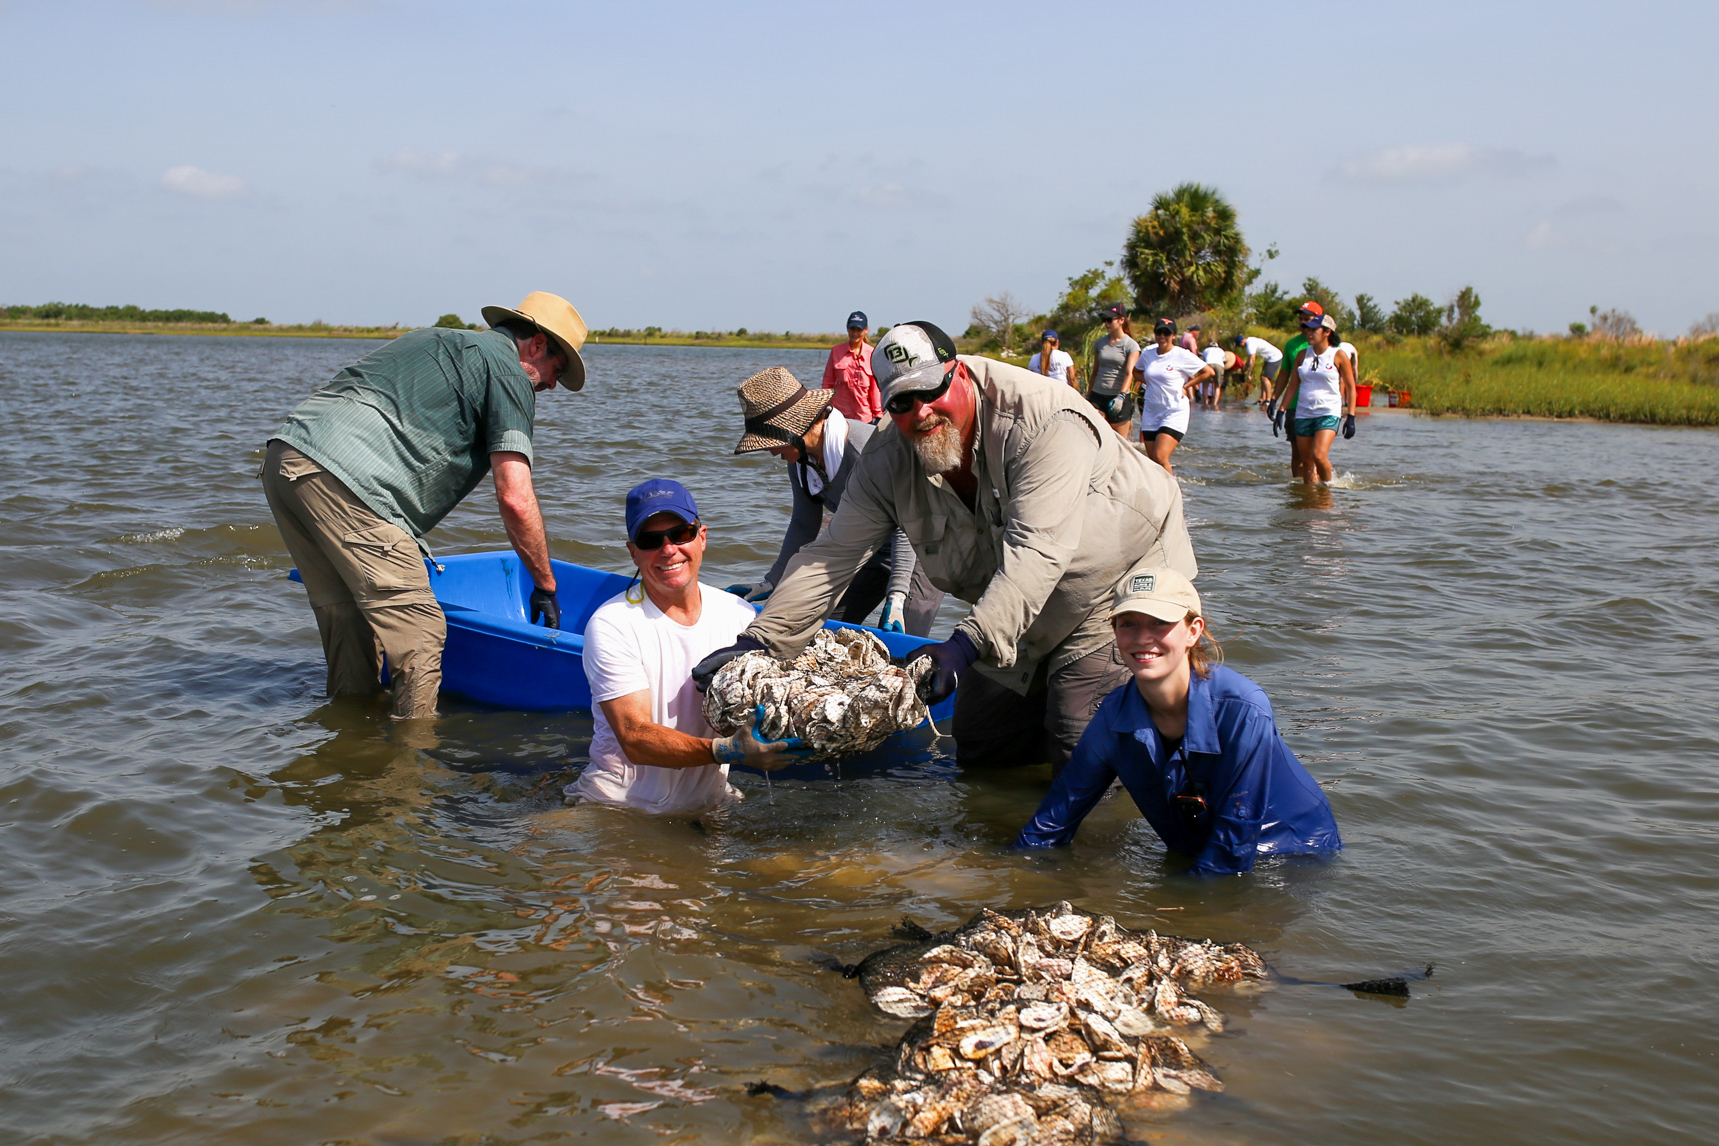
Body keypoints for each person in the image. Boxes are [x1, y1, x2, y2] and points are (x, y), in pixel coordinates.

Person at [693, 321, 1198, 777]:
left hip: (1114, 586)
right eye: (900, 403)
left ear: (959, 374)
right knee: (980, 745)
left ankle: (1090, 865)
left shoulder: (1045, 422)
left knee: (1078, 746)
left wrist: (961, 645)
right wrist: (758, 643)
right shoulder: (887, 455)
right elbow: (831, 555)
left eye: (929, 390)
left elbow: (1037, 553)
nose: (921, 412)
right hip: (1018, 597)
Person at [261, 291, 586, 719]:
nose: (552, 385)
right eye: (555, 370)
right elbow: (515, 496)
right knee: (422, 629)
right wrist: (545, 585)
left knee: (349, 620)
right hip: (348, 481)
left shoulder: (438, 339)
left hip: (287, 460)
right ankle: (409, 768)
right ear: (537, 344)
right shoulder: (509, 374)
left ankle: (347, 739)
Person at [1015, 564, 1341, 874]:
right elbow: (1052, 823)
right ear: (1114, 632)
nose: (1142, 638)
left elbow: (1233, 845)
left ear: (1193, 631)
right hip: (1201, 850)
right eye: (1128, 623)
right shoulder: (1112, 715)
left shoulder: (1242, 708)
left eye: (1159, 622)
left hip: (1294, 856)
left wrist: (1173, 908)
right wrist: (1001, 875)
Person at [563, 480, 812, 815]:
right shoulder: (613, 624)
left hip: (709, 801)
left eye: (681, 534)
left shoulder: (739, 615)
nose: (668, 550)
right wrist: (730, 751)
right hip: (619, 806)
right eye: (650, 541)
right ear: (633, 552)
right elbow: (634, 737)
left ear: (702, 536)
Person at [724, 367, 943, 635]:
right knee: (824, 631)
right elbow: (803, 525)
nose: (770, 451)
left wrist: (897, 594)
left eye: (771, 441)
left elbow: (905, 526)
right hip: (871, 549)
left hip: (923, 547)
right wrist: (772, 581)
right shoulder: (800, 462)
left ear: (794, 428)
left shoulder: (866, 450)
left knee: (902, 643)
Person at [1275, 313, 1357, 485]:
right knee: (1307, 462)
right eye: (1307, 329)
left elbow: (1351, 387)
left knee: (1319, 456)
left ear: (1327, 332)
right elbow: (1292, 386)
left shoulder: (1338, 355)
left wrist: (1351, 417)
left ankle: (1328, 489)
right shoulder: (1302, 355)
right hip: (1304, 413)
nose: (1309, 333)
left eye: (1314, 330)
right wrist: (1281, 410)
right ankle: (1310, 501)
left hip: (1328, 412)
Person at [1135, 318, 1212, 474]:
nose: (1162, 336)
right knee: (1152, 462)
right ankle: (1157, 493)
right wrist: (1149, 383)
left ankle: (1173, 494)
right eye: (1159, 332)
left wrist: (1186, 386)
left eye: (1166, 333)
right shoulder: (1148, 353)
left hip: (1174, 411)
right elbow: (1136, 371)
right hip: (1151, 411)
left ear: (1173, 336)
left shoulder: (1181, 355)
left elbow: (1208, 372)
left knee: (1160, 456)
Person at [1267, 300, 1324, 477]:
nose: (1302, 322)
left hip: (1319, 405)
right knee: (1297, 454)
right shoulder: (1292, 344)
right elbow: (1284, 374)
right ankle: (1301, 491)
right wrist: (1274, 399)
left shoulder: (1325, 345)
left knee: (1317, 454)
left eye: (1307, 318)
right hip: (1294, 406)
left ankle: (1318, 488)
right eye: (1300, 319)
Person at [1085, 303, 1141, 437]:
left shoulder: (1131, 345)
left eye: (1110, 319)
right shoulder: (1100, 343)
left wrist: (1121, 396)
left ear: (1122, 320)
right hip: (1097, 396)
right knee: (1095, 438)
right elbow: (1095, 372)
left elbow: (1129, 374)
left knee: (1119, 444)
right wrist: (1088, 396)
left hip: (1118, 397)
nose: (1106, 323)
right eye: (1104, 320)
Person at [822, 310, 881, 423]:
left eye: (859, 330)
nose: (855, 333)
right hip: (839, 415)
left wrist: (878, 414)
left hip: (864, 417)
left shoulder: (872, 353)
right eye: (852, 329)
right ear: (847, 329)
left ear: (866, 330)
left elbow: (875, 388)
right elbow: (827, 382)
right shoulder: (836, 351)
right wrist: (824, 406)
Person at [1233, 333, 1283, 404]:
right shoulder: (1250, 341)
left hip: (1275, 357)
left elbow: (1252, 359)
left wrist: (1249, 374)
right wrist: (1244, 368)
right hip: (1269, 358)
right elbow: (1249, 359)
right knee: (1262, 378)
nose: (1240, 347)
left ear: (1242, 342)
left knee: (1265, 378)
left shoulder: (1250, 344)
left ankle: (1268, 400)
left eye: (1239, 346)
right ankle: (1262, 399)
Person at [1200, 341, 1227, 409]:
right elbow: (1223, 361)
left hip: (1208, 364)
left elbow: (1203, 360)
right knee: (1217, 386)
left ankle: (1205, 403)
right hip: (1219, 365)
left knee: (1205, 386)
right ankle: (1215, 404)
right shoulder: (1221, 351)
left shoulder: (1206, 350)